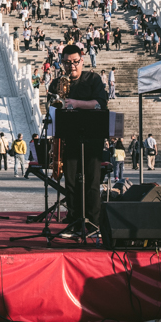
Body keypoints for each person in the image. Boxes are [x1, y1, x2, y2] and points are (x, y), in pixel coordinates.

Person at [47, 44, 108, 234]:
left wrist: (75, 103)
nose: (71, 66)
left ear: (82, 60)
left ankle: (93, 223)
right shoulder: (57, 83)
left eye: (75, 62)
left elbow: (100, 103)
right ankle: (74, 220)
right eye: (66, 62)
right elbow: (50, 110)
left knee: (92, 181)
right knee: (72, 181)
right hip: (68, 139)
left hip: (92, 137)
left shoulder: (93, 79)